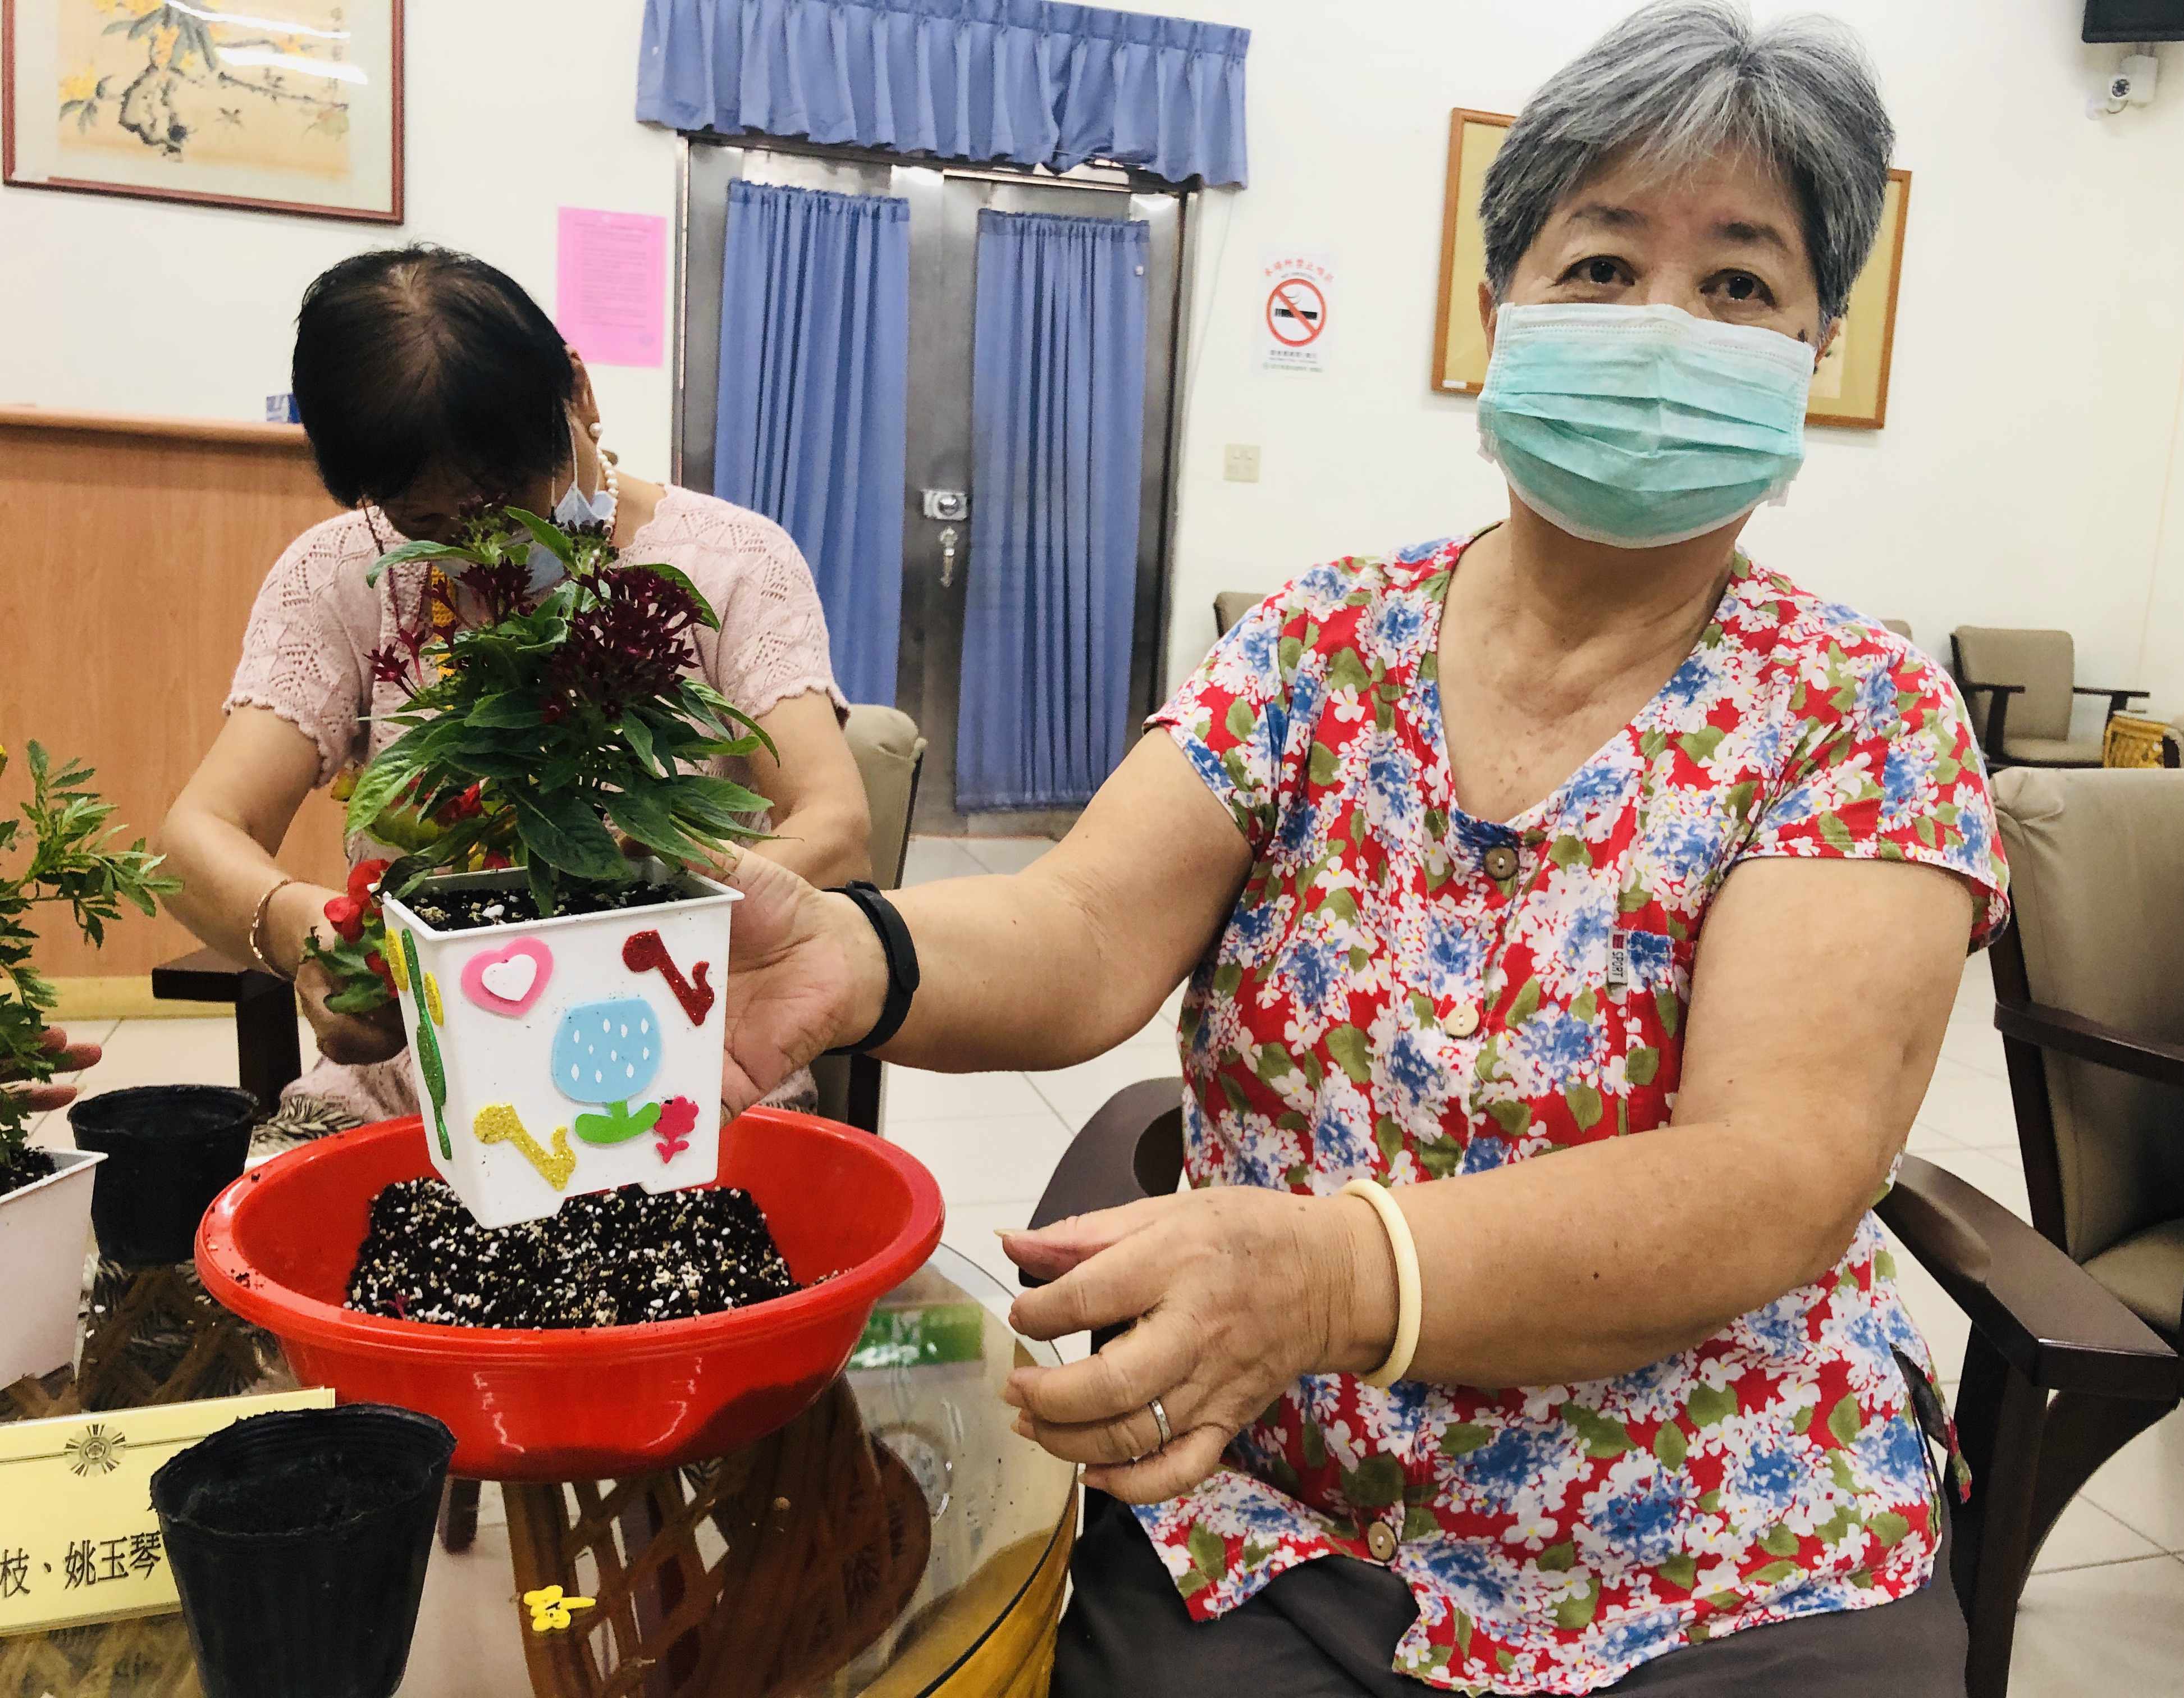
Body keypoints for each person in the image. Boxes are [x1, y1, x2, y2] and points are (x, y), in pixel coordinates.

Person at [718, 3, 2006, 1694]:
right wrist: (863, 952)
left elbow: (1767, 1176)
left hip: (1711, 1540)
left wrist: (1336, 1274)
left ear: (1812, 347)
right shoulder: (1326, 641)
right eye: (1604, 265)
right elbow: (1088, 929)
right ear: (1499, 312)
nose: (1660, 328)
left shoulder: (1862, 714)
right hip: (1272, 1474)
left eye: (1739, 284)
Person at [160, 247, 870, 1127]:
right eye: (427, 523)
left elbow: (836, 829)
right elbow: (193, 840)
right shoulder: (348, 574)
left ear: (579, 393)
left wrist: (627, 918)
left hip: (692, 1064)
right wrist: (315, 932)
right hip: (419, 1085)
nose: (486, 550)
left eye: (508, 501)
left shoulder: (729, 566)